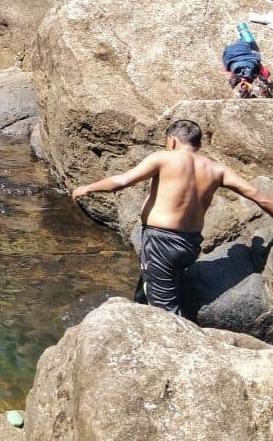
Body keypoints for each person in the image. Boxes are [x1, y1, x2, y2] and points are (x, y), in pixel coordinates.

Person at [71, 120, 273, 316]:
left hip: (161, 244)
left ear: (172, 140)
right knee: (150, 287)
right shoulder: (217, 169)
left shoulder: (163, 158)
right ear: (198, 143)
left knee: (165, 311)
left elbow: (121, 181)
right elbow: (260, 197)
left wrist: (87, 188)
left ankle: (176, 337)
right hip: (190, 245)